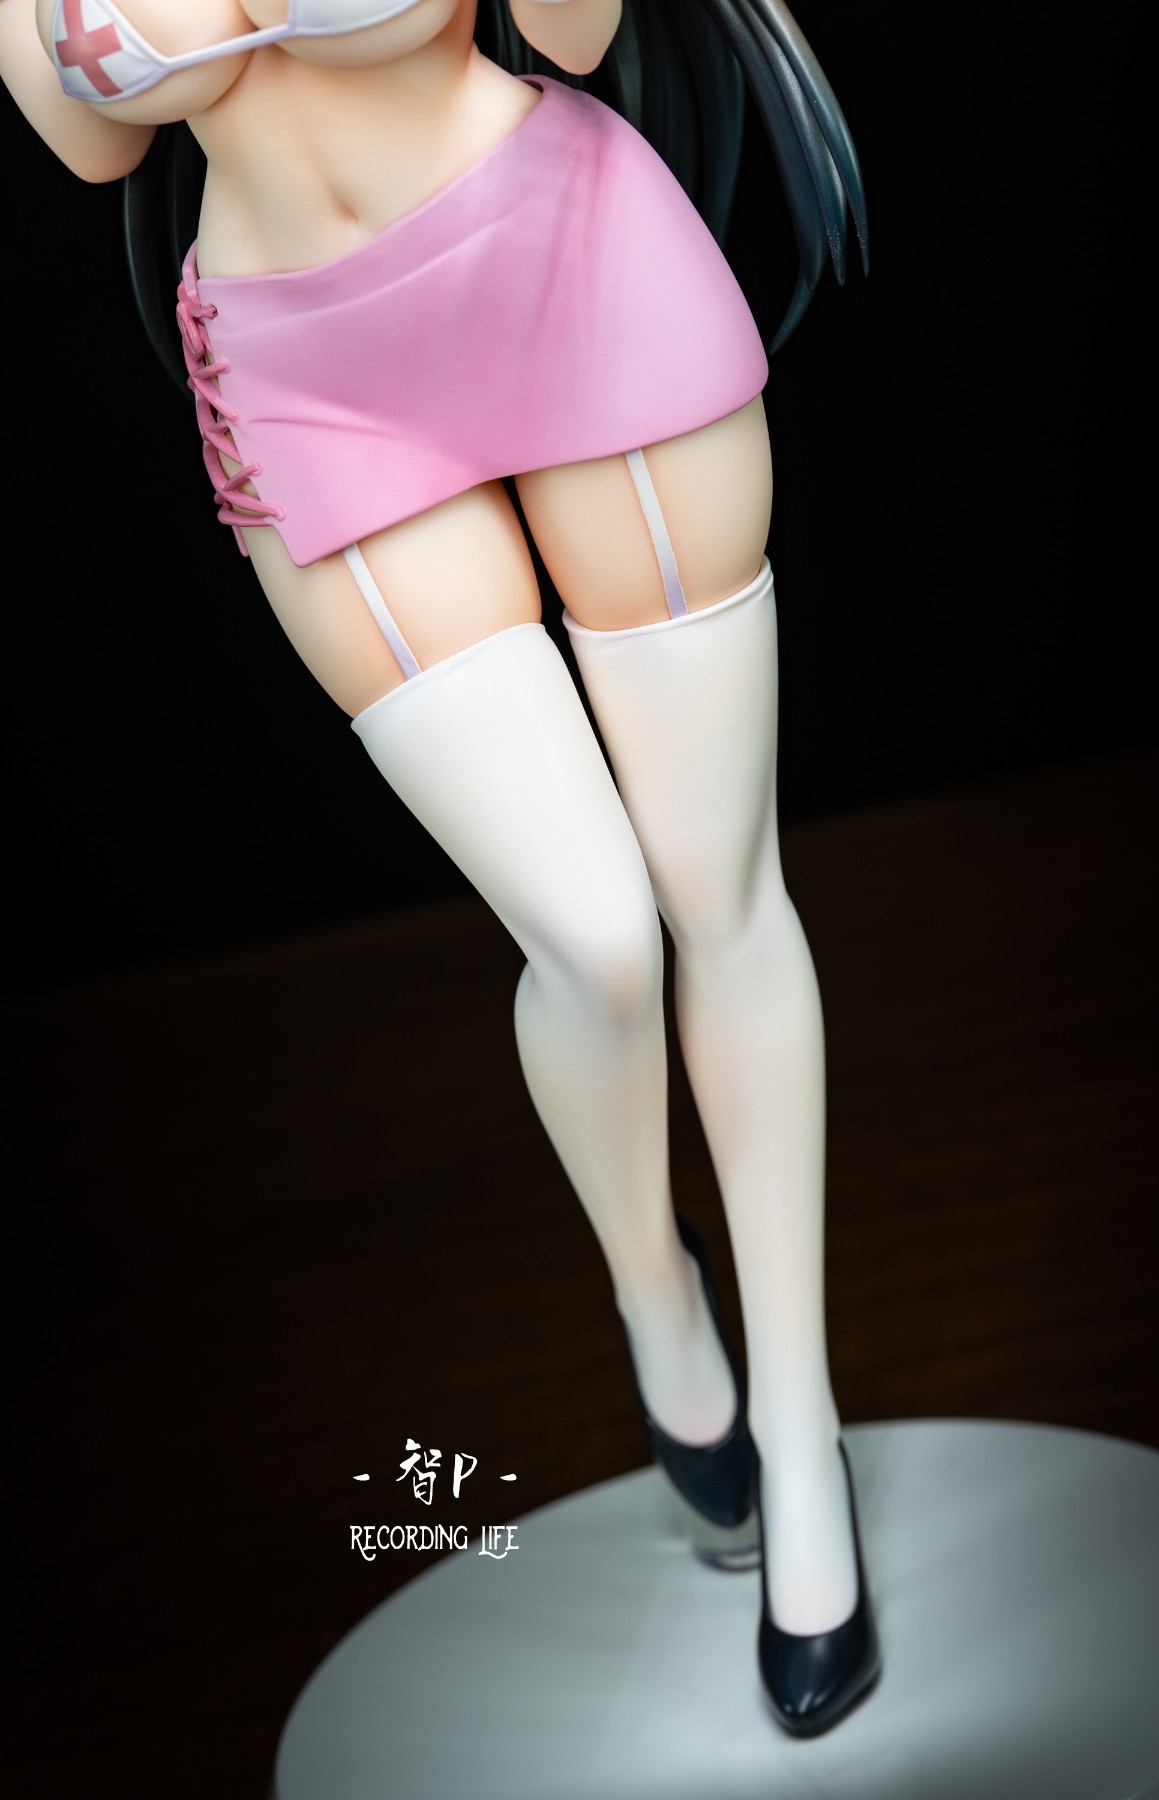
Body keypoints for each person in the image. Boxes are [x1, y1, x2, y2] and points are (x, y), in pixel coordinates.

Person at [1, 0, 876, 1737]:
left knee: (719, 895)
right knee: (593, 937)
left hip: (570, 269)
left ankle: (800, 1429)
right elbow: (90, 138)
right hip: (304, 371)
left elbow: (579, 30)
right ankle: (657, 1296)